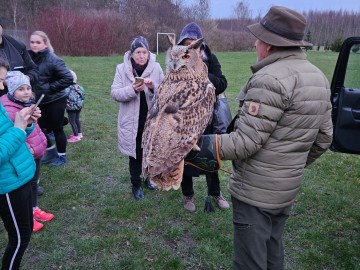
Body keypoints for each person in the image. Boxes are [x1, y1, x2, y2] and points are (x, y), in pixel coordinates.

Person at [185, 6, 333, 269]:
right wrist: (288, 167)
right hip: (286, 191)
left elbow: (245, 142)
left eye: (259, 37)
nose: (255, 43)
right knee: (273, 252)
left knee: (250, 262)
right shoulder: (318, 77)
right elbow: (324, 138)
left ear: (270, 44)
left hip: (255, 193)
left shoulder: (269, 79)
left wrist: (195, 145)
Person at [177, 22, 230, 212]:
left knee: (210, 156)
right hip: (185, 120)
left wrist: (204, 72)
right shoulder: (178, 61)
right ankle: (188, 195)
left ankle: (215, 193)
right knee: (186, 157)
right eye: (187, 43)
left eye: (195, 43)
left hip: (208, 118)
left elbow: (222, 84)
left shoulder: (210, 59)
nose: (191, 46)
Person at [0, 57, 42, 269]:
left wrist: (26, 125)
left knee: (24, 234)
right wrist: (18, 128)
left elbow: (7, 134)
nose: (2, 86)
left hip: (21, 175)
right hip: (7, 184)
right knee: (19, 238)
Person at [111, 36, 164, 200]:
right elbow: (115, 93)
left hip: (151, 121)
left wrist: (152, 87)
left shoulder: (156, 68)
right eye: (138, 52)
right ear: (132, 54)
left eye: (144, 52)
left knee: (149, 152)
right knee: (135, 155)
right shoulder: (122, 69)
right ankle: (136, 184)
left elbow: (165, 92)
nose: (142, 56)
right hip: (131, 122)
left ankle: (148, 178)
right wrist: (132, 89)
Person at [0, 70, 54, 233]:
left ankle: (34, 208)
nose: (26, 92)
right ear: (11, 90)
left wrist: (31, 123)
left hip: (34, 153)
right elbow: (13, 135)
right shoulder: (9, 109)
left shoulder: (26, 104)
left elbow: (29, 128)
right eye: (20, 89)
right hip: (24, 154)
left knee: (34, 182)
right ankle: (28, 214)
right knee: (28, 186)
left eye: (28, 88)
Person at [29, 31, 73, 166]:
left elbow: (68, 78)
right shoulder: (29, 58)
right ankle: (50, 150)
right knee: (38, 128)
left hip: (55, 100)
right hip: (39, 100)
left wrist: (49, 88)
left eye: (38, 42)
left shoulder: (53, 59)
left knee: (57, 129)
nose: (34, 45)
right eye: (32, 42)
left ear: (45, 44)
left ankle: (61, 156)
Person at [0, 17, 38, 96]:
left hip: (19, 100)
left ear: (2, 27)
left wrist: (26, 78)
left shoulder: (18, 46)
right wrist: (2, 80)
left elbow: (34, 69)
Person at [65, 70, 85, 143]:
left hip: (71, 107)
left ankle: (76, 136)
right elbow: (83, 95)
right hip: (79, 106)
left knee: (72, 121)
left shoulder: (67, 88)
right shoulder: (79, 87)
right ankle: (79, 133)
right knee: (77, 119)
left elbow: (64, 96)